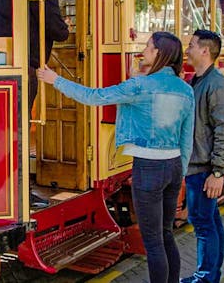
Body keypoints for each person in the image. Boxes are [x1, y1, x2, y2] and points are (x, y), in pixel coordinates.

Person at [38, 32, 195, 283]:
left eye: (148, 47)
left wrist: (55, 79)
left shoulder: (139, 85)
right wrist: (180, 171)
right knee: (166, 235)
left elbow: (94, 97)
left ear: (159, 54)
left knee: (152, 242)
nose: (143, 51)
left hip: (148, 167)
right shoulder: (185, 90)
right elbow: (187, 137)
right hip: (174, 165)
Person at [181, 29, 224, 283]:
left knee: (203, 224)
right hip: (199, 166)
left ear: (205, 50)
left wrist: (217, 172)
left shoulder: (216, 85)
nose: (188, 48)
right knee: (210, 222)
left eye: (192, 44)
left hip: (203, 169)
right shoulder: (199, 80)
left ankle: (205, 278)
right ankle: (210, 275)